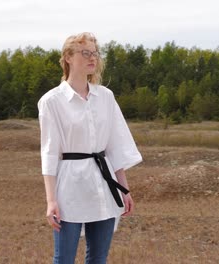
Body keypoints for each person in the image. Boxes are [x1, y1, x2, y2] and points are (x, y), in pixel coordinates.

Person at [37, 32, 143, 264]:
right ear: (68, 57)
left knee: (97, 259)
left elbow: (116, 144)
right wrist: (51, 200)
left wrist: (124, 189)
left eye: (95, 53)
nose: (92, 58)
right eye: (85, 53)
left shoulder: (105, 96)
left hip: (103, 186)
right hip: (69, 188)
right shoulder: (51, 101)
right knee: (63, 259)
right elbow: (49, 153)